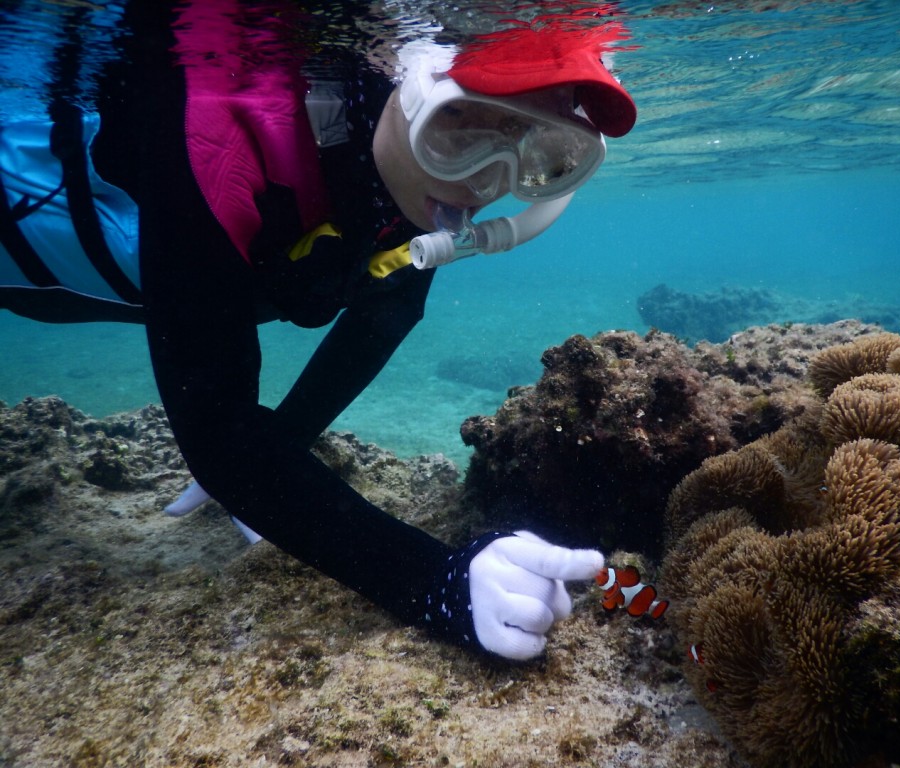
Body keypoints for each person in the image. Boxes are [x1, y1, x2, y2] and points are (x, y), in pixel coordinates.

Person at [0, 1, 637, 660]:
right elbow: (215, 429)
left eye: (541, 153)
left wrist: (277, 453)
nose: (485, 183)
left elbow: (389, 309)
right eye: (460, 132)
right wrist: (440, 584)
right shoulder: (218, 132)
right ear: (408, 91)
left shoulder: (408, 184)